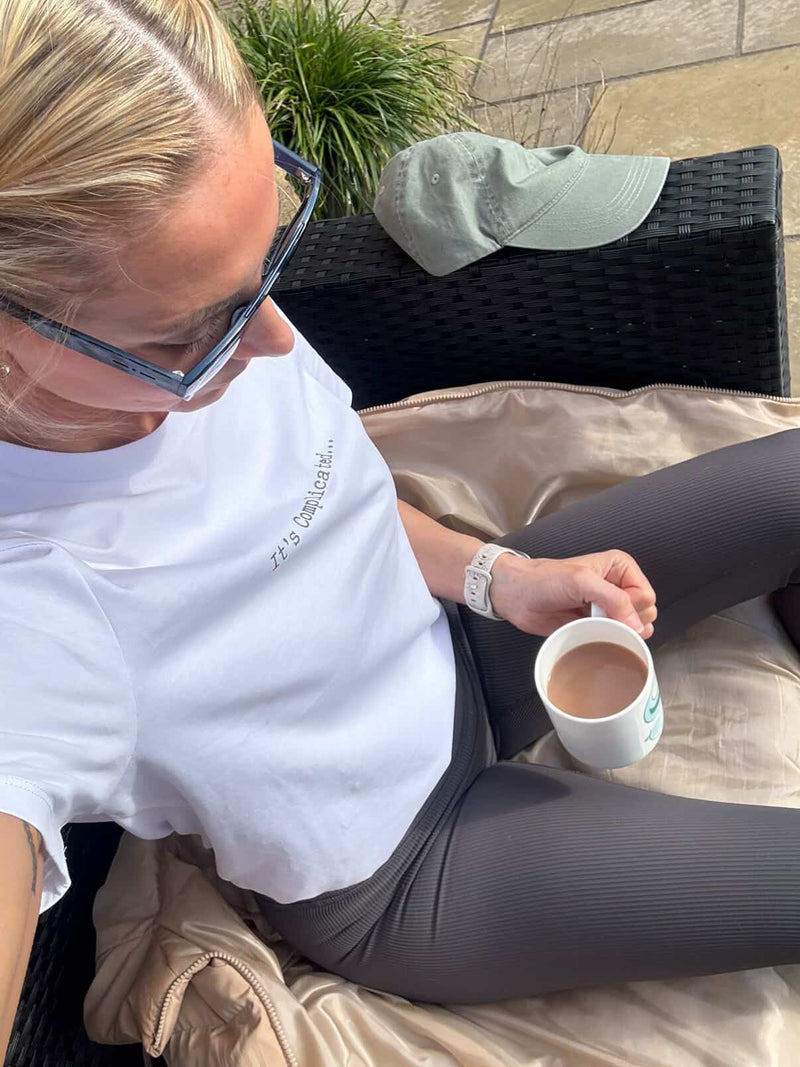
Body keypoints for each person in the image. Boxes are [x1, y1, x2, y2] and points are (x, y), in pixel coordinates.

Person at [2, 0, 800, 1055]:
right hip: (410, 863)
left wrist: (497, 576)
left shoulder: (197, 316)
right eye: (191, 330)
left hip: (469, 639)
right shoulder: (31, 606)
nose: (276, 339)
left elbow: (321, 498)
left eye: (268, 258)